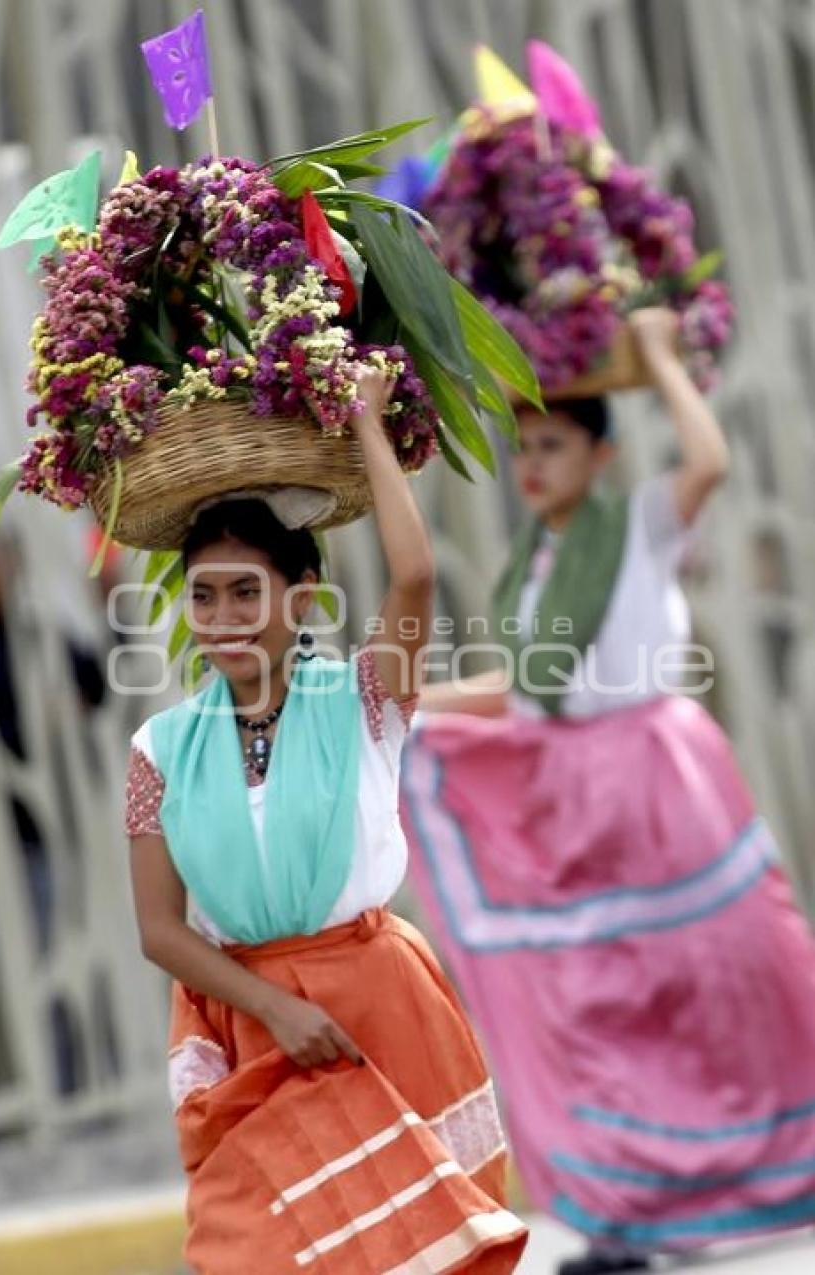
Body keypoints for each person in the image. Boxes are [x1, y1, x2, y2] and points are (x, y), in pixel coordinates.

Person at [400, 310, 815, 1275]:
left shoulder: (637, 528)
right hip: (572, 787)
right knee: (600, 999)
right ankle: (623, 1214)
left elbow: (706, 462)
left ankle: (785, 1159)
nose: (533, 465)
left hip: (656, 779)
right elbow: (530, 685)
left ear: (601, 453)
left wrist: (663, 360)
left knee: (730, 968)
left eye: (554, 445)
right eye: (524, 447)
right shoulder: (533, 566)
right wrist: (403, 700)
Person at [124, 368, 528, 1275]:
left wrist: (365, 425)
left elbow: (415, 572)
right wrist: (271, 1005)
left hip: (378, 1009)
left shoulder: (362, 702)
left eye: (244, 592)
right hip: (253, 1028)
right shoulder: (158, 747)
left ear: (300, 597)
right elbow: (157, 928)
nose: (221, 619)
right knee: (251, 1251)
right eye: (203, 595)